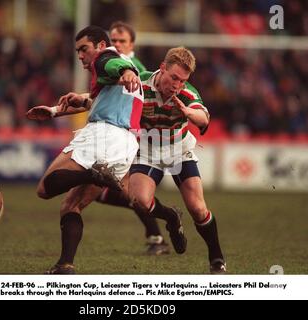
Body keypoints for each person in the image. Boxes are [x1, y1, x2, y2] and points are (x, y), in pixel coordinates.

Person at [26, 26, 185, 274]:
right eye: (77, 50)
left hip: (102, 134)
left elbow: (112, 66)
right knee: (72, 205)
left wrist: (127, 71)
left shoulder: (106, 58)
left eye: (83, 49)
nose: (80, 55)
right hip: (126, 144)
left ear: (100, 45)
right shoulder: (126, 72)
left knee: (45, 189)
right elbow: (104, 92)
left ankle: (93, 174)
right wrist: (56, 110)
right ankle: (65, 265)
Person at [128, 47, 226, 274]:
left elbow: (202, 117)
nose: (177, 85)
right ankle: (171, 217)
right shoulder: (140, 84)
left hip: (178, 150)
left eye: (182, 80)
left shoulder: (187, 94)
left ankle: (217, 259)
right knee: (139, 201)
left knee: (198, 209)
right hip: (148, 151)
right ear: (162, 68)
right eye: (173, 77)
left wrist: (190, 114)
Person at [93, 21, 170, 256]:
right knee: (108, 190)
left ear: (132, 44)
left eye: (122, 41)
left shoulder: (132, 67)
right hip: (122, 136)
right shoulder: (112, 64)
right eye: (113, 40)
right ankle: (156, 234)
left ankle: (158, 232)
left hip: (130, 137)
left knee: (107, 189)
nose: (117, 44)